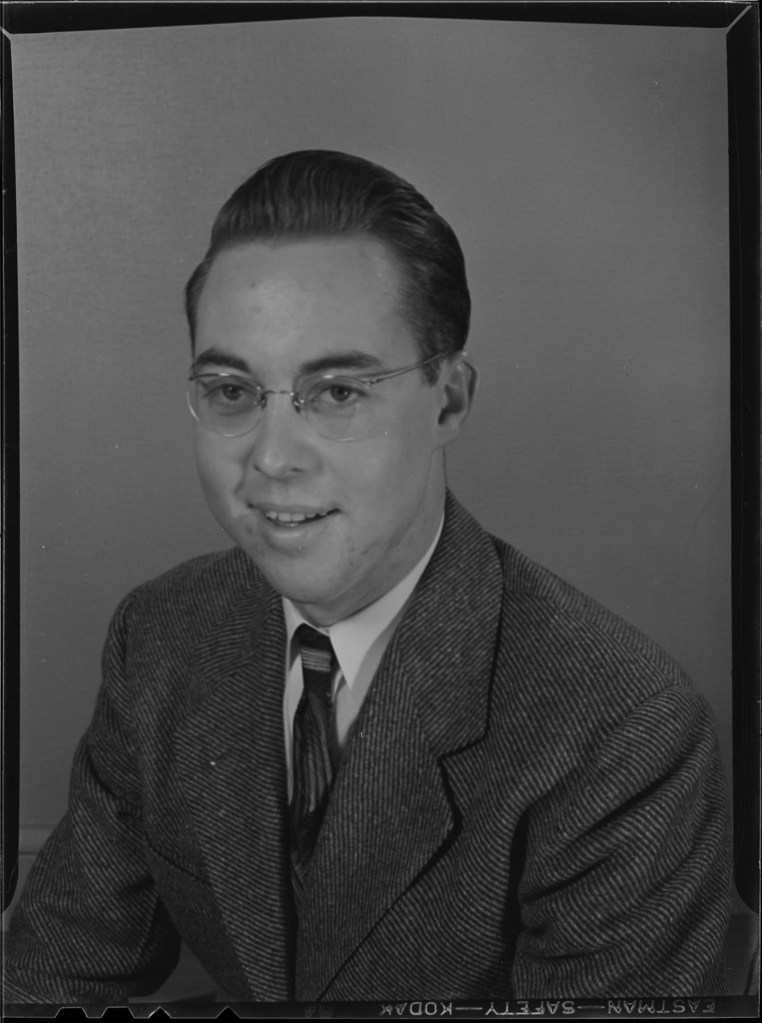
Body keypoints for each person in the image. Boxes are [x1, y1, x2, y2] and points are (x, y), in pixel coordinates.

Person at [4, 150, 731, 1005]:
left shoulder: (622, 727)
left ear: (449, 400)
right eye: (232, 389)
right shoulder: (160, 635)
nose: (272, 459)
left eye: (339, 392)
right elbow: (50, 978)